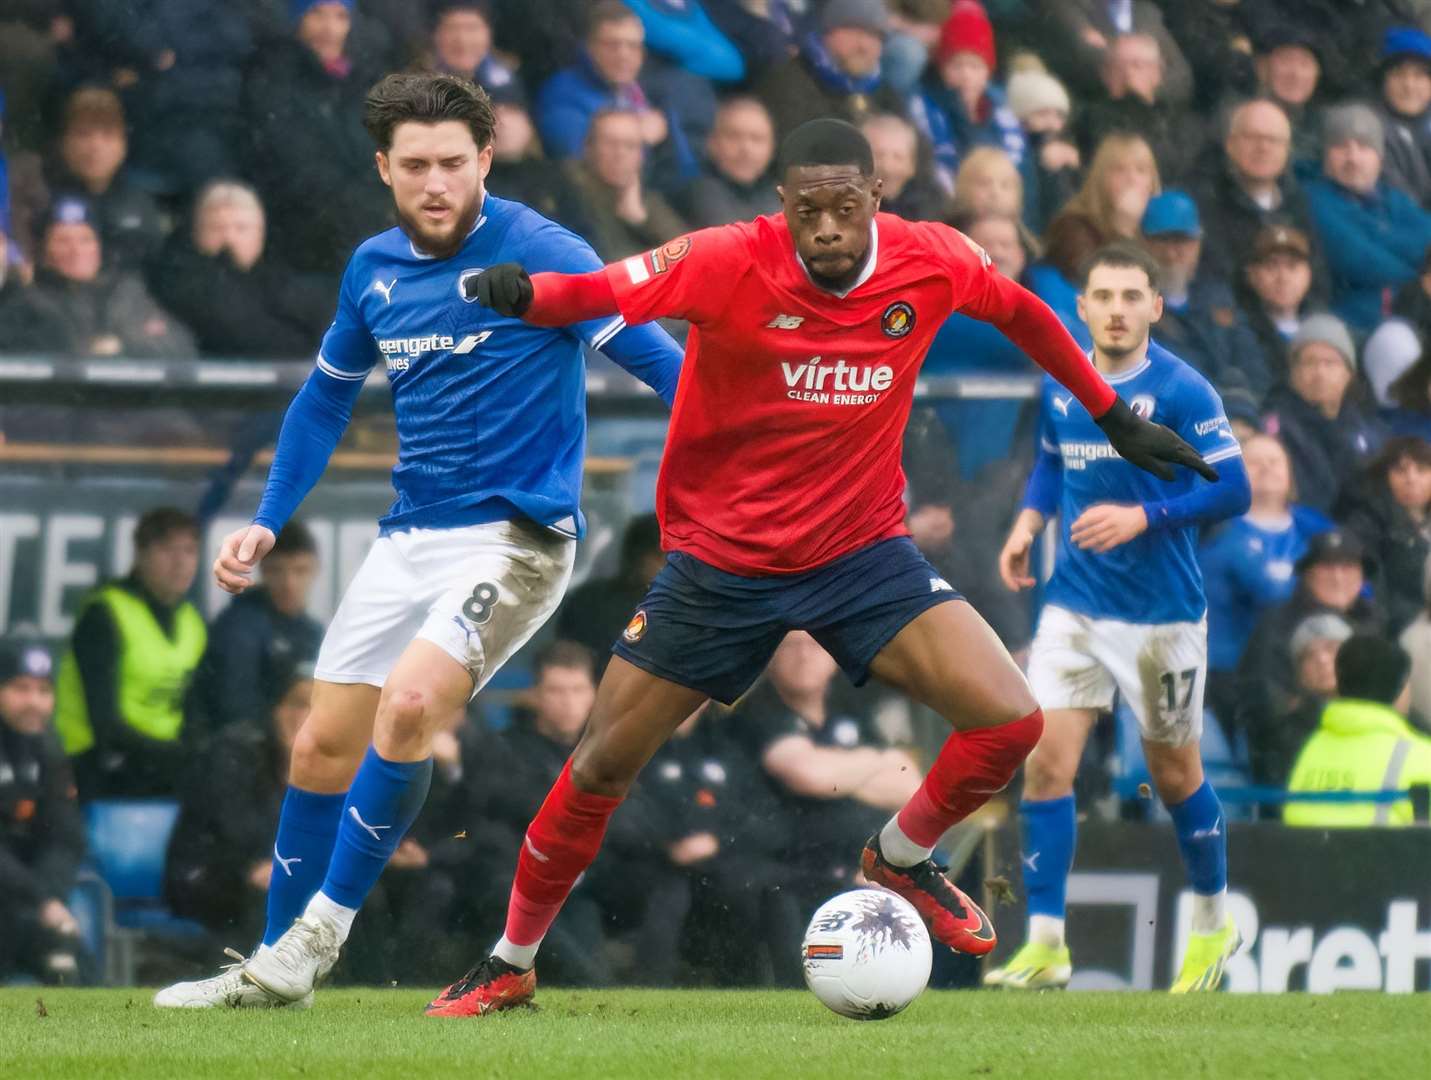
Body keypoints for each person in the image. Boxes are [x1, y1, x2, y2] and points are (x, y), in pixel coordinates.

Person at [430, 118, 1216, 1017]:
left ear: (876, 200)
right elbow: (594, 291)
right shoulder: (726, 257)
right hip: (722, 561)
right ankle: (510, 959)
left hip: (860, 550)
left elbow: (1024, 313)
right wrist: (521, 294)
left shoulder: (930, 259)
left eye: (845, 207)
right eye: (809, 210)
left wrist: (1110, 414)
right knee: (601, 765)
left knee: (1009, 723)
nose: (828, 227)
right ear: (783, 207)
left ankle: (900, 854)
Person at [152, 73, 682, 1011]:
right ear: (383, 169)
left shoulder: (544, 249)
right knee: (319, 747)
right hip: (410, 538)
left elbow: (652, 358)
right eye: (414, 166)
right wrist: (270, 518)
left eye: (451, 163)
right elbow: (323, 398)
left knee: (407, 711)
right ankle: (272, 969)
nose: (434, 183)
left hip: (516, 539)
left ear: (484, 160)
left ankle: (318, 937)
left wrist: (740, 455)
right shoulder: (372, 269)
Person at [988, 241, 1251, 994]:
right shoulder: (1062, 378)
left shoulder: (1183, 390)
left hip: (1161, 617)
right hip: (1073, 602)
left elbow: (1231, 490)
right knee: (1044, 762)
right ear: (1081, 307)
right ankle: (1044, 944)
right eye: (1102, 296)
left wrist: (1146, 517)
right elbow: (1051, 457)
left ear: (1154, 306)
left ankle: (1210, 925)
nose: (1115, 309)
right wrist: (1027, 521)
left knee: (1174, 775)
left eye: (1131, 296)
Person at [728, 632, 921, 905]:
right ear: (770, 657)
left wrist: (840, 774)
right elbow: (809, 775)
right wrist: (880, 762)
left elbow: (908, 785)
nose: (804, 656)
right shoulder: (759, 710)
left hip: (864, 871)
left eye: (814, 645)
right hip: (793, 880)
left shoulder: (845, 705)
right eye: (791, 647)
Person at [53, 508, 205, 800]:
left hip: (161, 762)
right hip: (98, 761)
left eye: (189, 551)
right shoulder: (105, 613)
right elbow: (104, 723)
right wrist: (179, 756)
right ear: (140, 554)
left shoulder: (192, 621)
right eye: (167, 550)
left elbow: (192, 707)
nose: (180, 562)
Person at [242, 0, 394, 276]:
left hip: (361, 208)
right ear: (295, 19)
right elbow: (295, 162)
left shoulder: (363, 77)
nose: (329, 28)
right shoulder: (274, 74)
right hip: (301, 220)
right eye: (316, 14)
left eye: (340, 17)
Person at [1199, 433, 1331, 724]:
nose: (1267, 468)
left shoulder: (1314, 526)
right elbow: (1269, 592)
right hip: (1234, 675)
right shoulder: (1217, 532)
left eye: (1275, 461)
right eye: (1255, 462)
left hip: (1304, 669)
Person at [534, 0, 716, 189]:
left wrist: (664, 140)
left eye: (633, 46)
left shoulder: (641, 91)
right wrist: (639, 140)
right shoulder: (562, 95)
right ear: (588, 47)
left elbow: (685, 173)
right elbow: (578, 171)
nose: (623, 55)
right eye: (612, 45)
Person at [1236, 528, 1385, 757]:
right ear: (1307, 574)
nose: (1337, 577)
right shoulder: (1276, 626)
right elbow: (1266, 705)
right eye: (1327, 567)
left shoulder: (1375, 623)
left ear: (1362, 576)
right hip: (1295, 751)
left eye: (1347, 567)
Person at [149, 180, 331, 359]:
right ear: (198, 234)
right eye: (216, 228)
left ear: (260, 234)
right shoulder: (181, 281)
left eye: (241, 228)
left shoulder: (283, 282)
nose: (229, 238)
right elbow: (237, 332)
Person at [11, 195, 195, 359]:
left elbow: (178, 347)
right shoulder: (28, 300)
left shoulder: (126, 292)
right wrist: (87, 351)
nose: (76, 251)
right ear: (43, 253)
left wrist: (122, 346)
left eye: (85, 239)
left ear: (99, 248)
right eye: (62, 241)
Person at [0, 640, 87, 985]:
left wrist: (48, 899)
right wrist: (42, 901)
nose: (33, 702)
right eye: (20, 689)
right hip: (16, 898)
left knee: (71, 959)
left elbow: (66, 838)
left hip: (26, 903)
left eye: (43, 690)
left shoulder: (48, 748)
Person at [1304, 103, 1431, 332]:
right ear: (1326, 156)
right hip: (1354, 324)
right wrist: (1419, 276)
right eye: (1341, 147)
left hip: (1414, 316)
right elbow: (1358, 260)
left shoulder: (1394, 198)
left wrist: (1377, 235)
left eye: (1363, 147)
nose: (1352, 158)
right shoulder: (1314, 199)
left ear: (1380, 157)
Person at [190, 521, 324, 738]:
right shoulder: (239, 627)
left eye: (300, 570)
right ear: (263, 570)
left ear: (316, 569)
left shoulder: (312, 631)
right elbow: (236, 712)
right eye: (277, 571)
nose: (289, 583)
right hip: (243, 753)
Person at [1285, 635, 1431, 826]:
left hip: (1298, 854)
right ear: (1400, 690)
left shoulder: (1310, 746)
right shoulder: (1421, 755)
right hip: (1384, 855)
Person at [1190, 97, 1328, 296]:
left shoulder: (1299, 204)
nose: (1263, 148)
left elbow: (1318, 279)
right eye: (1252, 137)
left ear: (1287, 150)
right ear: (1230, 144)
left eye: (1273, 140)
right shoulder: (1205, 202)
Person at [1140, 189, 1264, 398]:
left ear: (1197, 244)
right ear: (1144, 244)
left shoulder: (1218, 298)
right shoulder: (1134, 304)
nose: (1171, 254)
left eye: (1181, 241)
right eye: (1162, 241)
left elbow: (1253, 364)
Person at [1034, 132, 1159, 335]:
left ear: (1152, 182)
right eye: (1119, 170)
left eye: (1141, 170)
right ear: (1100, 179)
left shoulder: (1156, 231)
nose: (1132, 179)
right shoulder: (1073, 227)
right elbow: (1096, 283)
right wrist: (1123, 228)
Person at [1262, 313, 1387, 512]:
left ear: (1349, 374)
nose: (1320, 373)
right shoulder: (1276, 428)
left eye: (1330, 363)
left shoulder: (1367, 430)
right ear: (1293, 373)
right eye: (1309, 362)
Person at [907, 2, 1030, 199]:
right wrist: (960, 112)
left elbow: (1022, 173)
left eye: (975, 66)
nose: (966, 75)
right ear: (942, 69)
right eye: (957, 65)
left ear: (987, 72)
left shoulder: (1000, 114)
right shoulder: (925, 108)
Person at [41, 87, 165, 272]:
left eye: (108, 135)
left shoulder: (140, 204)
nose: (95, 146)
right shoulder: (42, 199)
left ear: (123, 145)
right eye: (83, 134)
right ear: (64, 143)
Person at [754, 0, 907, 138]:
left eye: (875, 36)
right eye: (854, 31)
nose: (864, 45)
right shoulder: (786, 84)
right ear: (828, 32)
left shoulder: (886, 95)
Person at [560, 109, 689, 262]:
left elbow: (687, 255)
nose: (620, 154)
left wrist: (640, 219)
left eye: (630, 146)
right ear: (588, 148)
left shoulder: (647, 201)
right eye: (610, 143)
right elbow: (609, 259)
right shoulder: (570, 192)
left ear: (641, 156)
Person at [1333, 436, 1431, 635]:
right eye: (1400, 471)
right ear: (1384, 477)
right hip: (1402, 630)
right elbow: (1376, 595)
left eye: (1421, 470)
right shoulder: (1365, 524)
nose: (1411, 479)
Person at [1076, 32, 1201, 185]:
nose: (1128, 73)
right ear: (1105, 74)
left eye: (1137, 65)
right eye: (1118, 65)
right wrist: (1132, 102)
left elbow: (1174, 168)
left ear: (1157, 73)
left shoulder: (1179, 121)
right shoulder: (1088, 118)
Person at [1246, 611, 1350, 787]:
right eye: (1309, 655)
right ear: (1299, 673)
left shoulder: (1381, 717)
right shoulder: (1283, 735)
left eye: (1332, 649)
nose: (1322, 660)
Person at [554, 513, 665, 674]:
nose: (667, 567)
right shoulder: (590, 602)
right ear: (639, 555)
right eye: (660, 557)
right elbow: (565, 663)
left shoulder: (686, 610)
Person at [675, 96, 780, 227]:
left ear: (772, 148)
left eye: (757, 139)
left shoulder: (781, 197)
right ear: (712, 142)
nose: (746, 149)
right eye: (733, 136)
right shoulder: (699, 193)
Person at [1239, 223, 1317, 391]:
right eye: (1271, 266)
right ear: (1252, 274)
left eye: (1292, 266)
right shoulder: (1240, 330)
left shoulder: (1324, 327)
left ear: (1308, 274)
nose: (1283, 278)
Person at [1005, 68, 1079, 233]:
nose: (1053, 123)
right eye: (1043, 114)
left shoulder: (1066, 153)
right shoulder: (1015, 157)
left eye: (1059, 115)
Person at [1375, 27, 1431, 209]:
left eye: (1419, 75)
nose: (1409, 86)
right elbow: (1404, 205)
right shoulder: (1372, 129)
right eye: (1399, 74)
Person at [862, 112, 946, 222]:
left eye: (898, 157)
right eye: (878, 155)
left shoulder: (931, 208)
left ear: (912, 166)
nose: (888, 167)